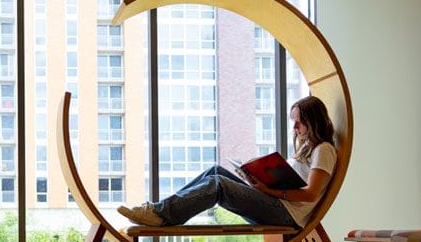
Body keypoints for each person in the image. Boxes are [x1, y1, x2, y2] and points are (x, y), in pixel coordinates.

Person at [117, 95, 337, 230]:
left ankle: (160, 215)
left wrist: (270, 191)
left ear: (313, 121)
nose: (294, 128)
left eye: (299, 122)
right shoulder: (307, 149)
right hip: (276, 203)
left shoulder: (324, 150)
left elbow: (310, 194)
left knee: (218, 184)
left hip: (286, 214)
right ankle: (160, 211)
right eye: (294, 122)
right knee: (215, 170)